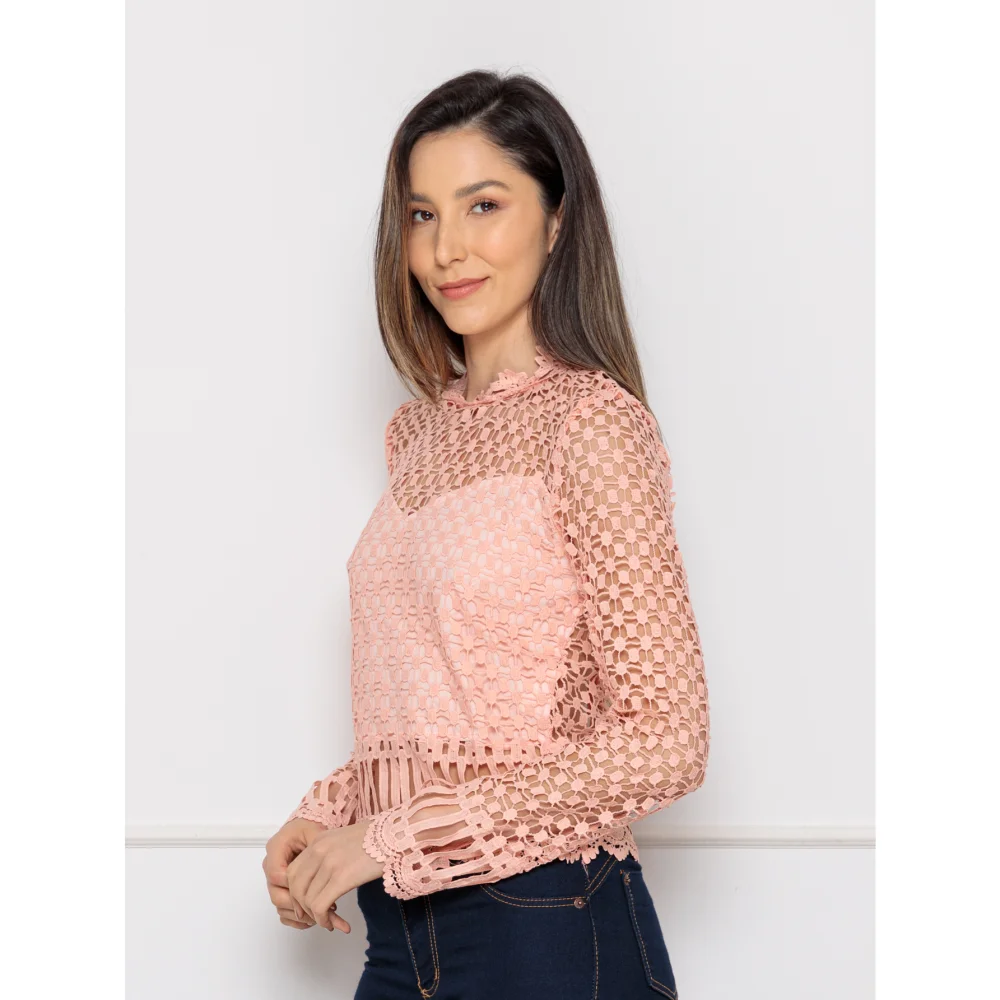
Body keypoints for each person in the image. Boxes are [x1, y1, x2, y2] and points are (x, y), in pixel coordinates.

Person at [262, 69, 710, 999]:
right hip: (402, 936)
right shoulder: (418, 435)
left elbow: (668, 740)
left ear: (557, 222)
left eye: (484, 205)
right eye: (421, 215)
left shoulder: (592, 426)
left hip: (547, 925)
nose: (446, 249)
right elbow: (455, 707)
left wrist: (395, 836)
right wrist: (334, 812)